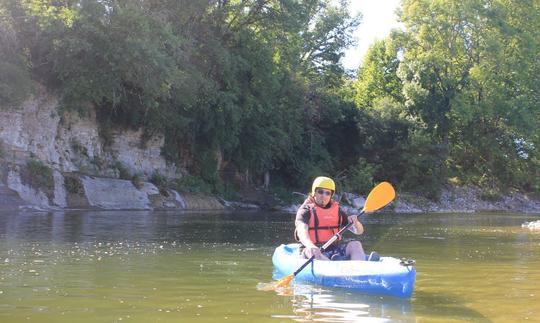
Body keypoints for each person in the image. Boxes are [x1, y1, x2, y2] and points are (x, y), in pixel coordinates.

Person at [295, 176, 379, 261]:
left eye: (327, 193)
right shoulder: (306, 210)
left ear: (331, 195)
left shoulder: (337, 211)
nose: (324, 195)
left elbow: (359, 231)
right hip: (313, 250)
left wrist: (356, 223)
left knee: (356, 244)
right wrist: (310, 245)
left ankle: (358, 268)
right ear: (314, 193)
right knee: (313, 253)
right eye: (320, 192)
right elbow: (301, 231)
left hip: (334, 249)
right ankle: (335, 267)